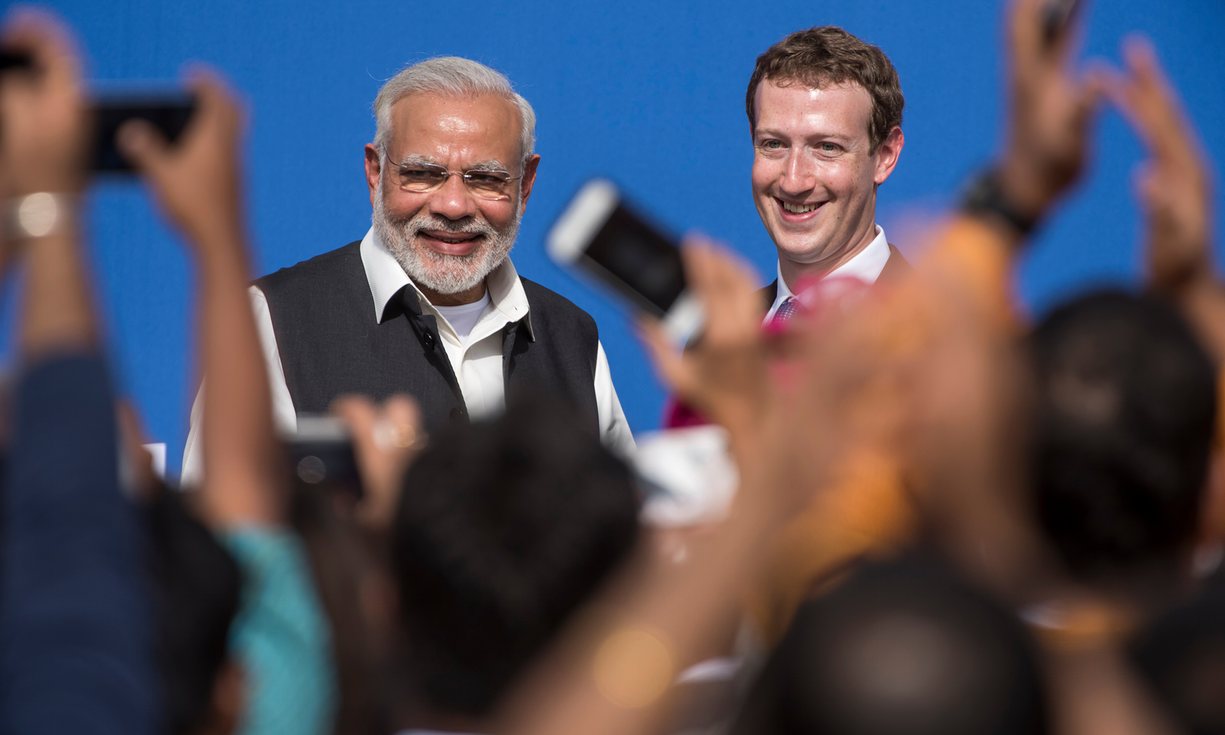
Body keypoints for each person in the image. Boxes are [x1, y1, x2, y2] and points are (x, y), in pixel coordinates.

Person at [182, 56, 634, 483]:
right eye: (423, 173)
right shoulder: (275, 320)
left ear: (526, 183)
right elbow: (224, 537)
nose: (453, 205)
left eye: (487, 178)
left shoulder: (573, 337)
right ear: (375, 172)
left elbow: (631, 542)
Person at [745, 25, 908, 317]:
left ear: (885, 156)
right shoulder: (723, 340)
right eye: (774, 144)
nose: (793, 181)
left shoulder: (946, 340)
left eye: (827, 148)